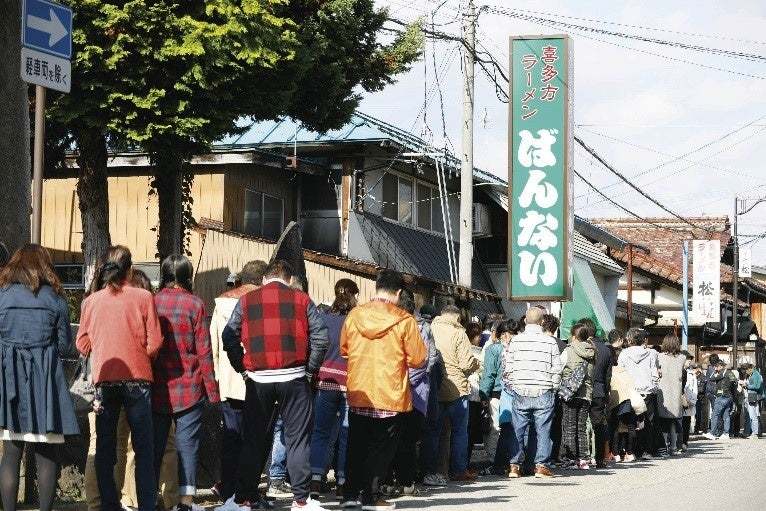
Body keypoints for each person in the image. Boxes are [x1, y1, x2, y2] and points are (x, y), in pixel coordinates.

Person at [220, 260, 329, 511]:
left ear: (265, 279)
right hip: (294, 378)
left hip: (258, 379)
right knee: (297, 439)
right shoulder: (301, 299)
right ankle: (301, 500)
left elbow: (229, 336)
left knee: (253, 439)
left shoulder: (247, 301)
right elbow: (321, 338)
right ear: (288, 279)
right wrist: (309, 371)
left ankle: (244, 498)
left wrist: (243, 368)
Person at [77, 246, 163, 511]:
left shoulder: (91, 302)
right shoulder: (143, 296)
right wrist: (139, 350)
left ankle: (109, 504)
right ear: (130, 269)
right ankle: (146, 505)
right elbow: (155, 342)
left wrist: (103, 342)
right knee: (143, 448)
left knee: (105, 447)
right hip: (138, 379)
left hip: (105, 380)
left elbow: (82, 343)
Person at [0, 245, 79, 511]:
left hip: (10, 382)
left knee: (11, 452)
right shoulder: (55, 299)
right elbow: (66, 346)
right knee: (47, 452)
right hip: (45, 383)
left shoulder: (2, 296)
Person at [340, 270, 427, 511]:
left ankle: (349, 494)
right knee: (381, 449)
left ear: (376, 288)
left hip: (359, 389)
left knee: (356, 444)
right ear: (399, 293)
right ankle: (371, 495)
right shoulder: (405, 321)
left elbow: (344, 349)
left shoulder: (355, 315)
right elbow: (419, 359)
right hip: (390, 393)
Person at [152, 255, 220, 511]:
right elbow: (204, 352)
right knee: (187, 448)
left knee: (154, 446)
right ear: (187, 276)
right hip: (189, 389)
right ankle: (186, 502)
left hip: (157, 387)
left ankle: (149, 497)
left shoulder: (152, 302)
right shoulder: (195, 305)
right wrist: (212, 393)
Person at [210, 260, 268, 501]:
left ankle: (228, 490)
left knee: (231, 438)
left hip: (229, 379)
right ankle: (248, 491)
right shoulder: (262, 303)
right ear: (262, 280)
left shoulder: (221, 303)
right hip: (258, 380)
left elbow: (215, 342)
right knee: (255, 439)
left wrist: (217, 376)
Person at [309, 279, 359, 497]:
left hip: (326, 382)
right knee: (347, 435)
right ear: (354, 295)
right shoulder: (357, 322)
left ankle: (315, 481)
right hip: (351, 384)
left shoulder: (323, 319)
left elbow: (316, 347)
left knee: (320, 432)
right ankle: (342, 483)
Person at [387, 288, 438, 496]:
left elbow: (429, 358)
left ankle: (405, 482)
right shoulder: (395, 325)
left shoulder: (421, 328)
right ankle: (394, 481)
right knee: (396, 439)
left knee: (406, 440)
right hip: (400, 391)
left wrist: (403, 380)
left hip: (412, 393)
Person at [504, 308, 562, 479]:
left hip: (520, 390)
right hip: (543, 389)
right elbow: (556, 369)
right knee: (543, 430)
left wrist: (514, 384)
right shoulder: (550, 342)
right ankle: (541, 466)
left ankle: (514, 467)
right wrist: (553, 387)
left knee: (518, 429)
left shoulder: (516, 341)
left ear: (525, 321)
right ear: (542, 321)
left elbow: (508, 367)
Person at [427, 305, 480, 483]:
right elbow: (465, 364)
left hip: (434, 387)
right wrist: (476, 365)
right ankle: (458, 470)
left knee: (434, 432)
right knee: (459, 432)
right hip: (456, 389)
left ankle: (431, 471)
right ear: (457, 318)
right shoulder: (459, 333)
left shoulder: (430, 328)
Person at [617, 328, 661, 458]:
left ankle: (633, 451)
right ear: (643, 340)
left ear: (629, 339)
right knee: (649, 422)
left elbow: (621, 372)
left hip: (631, 391)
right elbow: (655, 373)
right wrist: (654, 385)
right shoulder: (652, 353)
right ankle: (647, 450)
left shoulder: (624, 354)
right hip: (647, 391)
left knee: (632, 422)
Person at [479, 321, 514, 475]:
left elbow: (489, 374)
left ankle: (494, 460)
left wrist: (483, 394)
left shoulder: (493, 349)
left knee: (495, 428)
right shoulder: (517, 348)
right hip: (515, 393)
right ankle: (511, 458)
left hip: (496, 393)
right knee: (512, 427)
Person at [559, 323, 595, 470]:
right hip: (586, 393)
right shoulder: (592, 351)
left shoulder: (568, 350)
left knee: (569, 427)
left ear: (573, 336)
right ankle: (583, 459)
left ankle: (570, 459)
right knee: (581, 427)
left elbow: (559, 369)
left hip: (570, 393)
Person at [580, 318, 611, 468]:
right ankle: (600, 458)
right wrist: (606, 392)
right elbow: (608, 376)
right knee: (598, 426)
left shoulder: (580, 347)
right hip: (599, 390)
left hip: (582, 389)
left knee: (579, 425)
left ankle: (581, 457)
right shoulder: (605, 349)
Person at [608, 352, 640, 463]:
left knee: (615, 428)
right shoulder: (625, 371)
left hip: (616, 401)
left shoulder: (610, 371)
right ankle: (630, 453)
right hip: (629, 400)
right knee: (630, 427)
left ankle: (616, 454)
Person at [656, 335, 686, 456]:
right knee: (674, 422)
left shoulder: (659, 357)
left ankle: (663, 447)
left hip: (663, 393)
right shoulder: (682, 358)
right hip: (676, 394)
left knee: (663, 422)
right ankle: (673, 447)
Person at [705, 359, 739, 441]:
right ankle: (726, 433)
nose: (715, 368)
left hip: (721, 396)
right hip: (729, 397)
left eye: (716, 367)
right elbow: (735, 382)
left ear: (720, 366)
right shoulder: (730, 373)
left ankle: (712, 433)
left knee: (715, 414)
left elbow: (711, 378)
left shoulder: (722, 373)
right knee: (726, 415)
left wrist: (715, 371)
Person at [465, 322, 484, 466]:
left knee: (470, 430)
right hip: (472, 393)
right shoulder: (474, 352)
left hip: (472, 394)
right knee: (469, 430)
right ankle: (464, 462)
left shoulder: (478, 350)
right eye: (477, 335)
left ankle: (465, 462)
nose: (479, 338)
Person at [682, 359, 699, 450]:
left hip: (689, 402)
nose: (689, 363)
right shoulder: (679, 371)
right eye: (688, 361)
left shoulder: (691, 374)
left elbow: (694, 388)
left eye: (690, 361)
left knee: (686, 423)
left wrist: (692, 401)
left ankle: (684, 442)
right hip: (680, 401)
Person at [743, 363, 763, 439]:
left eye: (746, 371)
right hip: (752, 395)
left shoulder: (755, 374)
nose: (746, 373)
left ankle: (755, 433)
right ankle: (755, 433)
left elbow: (757, 386)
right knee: (753, 415)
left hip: (753, 396)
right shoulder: (754, 374)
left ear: (749, 369)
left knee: (753, 415)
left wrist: (747, 385)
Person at [703, 354, 721, 433]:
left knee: (714, 412)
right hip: (715, 393)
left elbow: (707, 379)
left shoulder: (710, 368)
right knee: (716, 411)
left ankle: (714, 430)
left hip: (711, 392)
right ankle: (715, 429)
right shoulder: (718, 367)